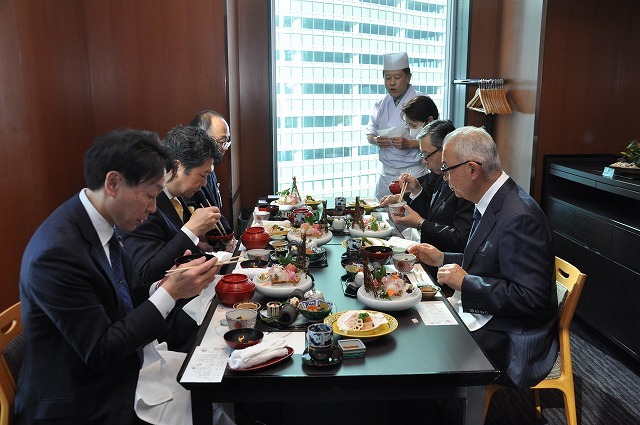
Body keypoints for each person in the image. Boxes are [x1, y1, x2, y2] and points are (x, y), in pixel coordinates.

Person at [16, 129, 220, 424]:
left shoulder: (99, 223)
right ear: (113, 183)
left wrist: (165, 283)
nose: (153, 209)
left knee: (217, 378)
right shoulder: (57, 254)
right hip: (82, 399)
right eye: (150, 196)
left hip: (122, 367)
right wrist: (170, 293)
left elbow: (123, 298)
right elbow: (101, 350)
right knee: (206, 403)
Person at [408, 126, 559, 388]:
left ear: (473, 170)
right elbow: (487, 259)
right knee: (419, 325)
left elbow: (531, 299)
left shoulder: (519, 217)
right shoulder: (491, 198)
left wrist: (466, 284)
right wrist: (443, 258)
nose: (444, 178)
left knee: (428, 346)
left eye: (447, 169)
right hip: (492, 312)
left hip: (514, 332)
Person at [381, 120, 474, 253]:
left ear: (445, 150)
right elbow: (430, 214)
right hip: (428, 250)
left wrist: (420, 224)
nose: (423, 161)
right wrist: (416, 191)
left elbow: (461, 239)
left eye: (426, 155)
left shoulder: (465, 184)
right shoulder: (438, 175)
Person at [365, 52, 439, 200]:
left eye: (397, 77)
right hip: (387, 172)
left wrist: (410, 144)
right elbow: (370, 134)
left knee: (409, 215)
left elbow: (437, 139)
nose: (392, 82)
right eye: (388, 78)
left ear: (408, 77)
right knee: (380, 216)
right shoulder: (380, 104)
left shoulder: (421, 102)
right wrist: (376, 140)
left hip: (412, 172)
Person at [188, 110, 233, 234]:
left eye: (226, 142)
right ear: (201, 138)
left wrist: (227, 236)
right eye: (221, 141)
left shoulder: (210, 168)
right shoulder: (189, 174)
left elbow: (214, 209)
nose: (224, 148)